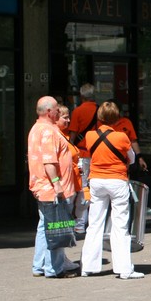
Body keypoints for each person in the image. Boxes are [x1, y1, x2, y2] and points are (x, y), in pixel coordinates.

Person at [80, 101, 144, 279]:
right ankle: (124, 269)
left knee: (94, 223)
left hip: (96, 180)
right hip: (117, 180)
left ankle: (88, 266)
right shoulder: (121, 137)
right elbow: (131, 158)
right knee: (120, 224)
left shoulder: (90, 135)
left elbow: (89, 153)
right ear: (116, 118)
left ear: (100, 117)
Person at [28, 96, 79, 278]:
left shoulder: (36, 128)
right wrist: (57, 184)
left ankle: (39, 265)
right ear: (49, 111)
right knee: (57, 227)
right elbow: (49, 162)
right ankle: (54, 269)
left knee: (44, 227)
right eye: (57, 108)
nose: (59, 111)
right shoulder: (49, 131)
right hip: (52, 189)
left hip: (41, 186)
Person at [68, 83, 98, 234]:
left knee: (82, 188)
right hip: (97, 155)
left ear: (82, 96)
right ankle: (94, 223)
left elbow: (73, 134)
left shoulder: (77, 111)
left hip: (82, 154)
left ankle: (80, 223)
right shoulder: (100, 110)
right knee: (95, 189)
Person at [57, 105, 84, 270]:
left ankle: (60, 258)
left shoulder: (65, 136)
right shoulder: (57, 136)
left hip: (72, 184)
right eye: (65, 117)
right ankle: (59, 260)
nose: (68, 121)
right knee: (60, 225)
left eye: (69, 117)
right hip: (64, 187)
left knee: (65, 224)